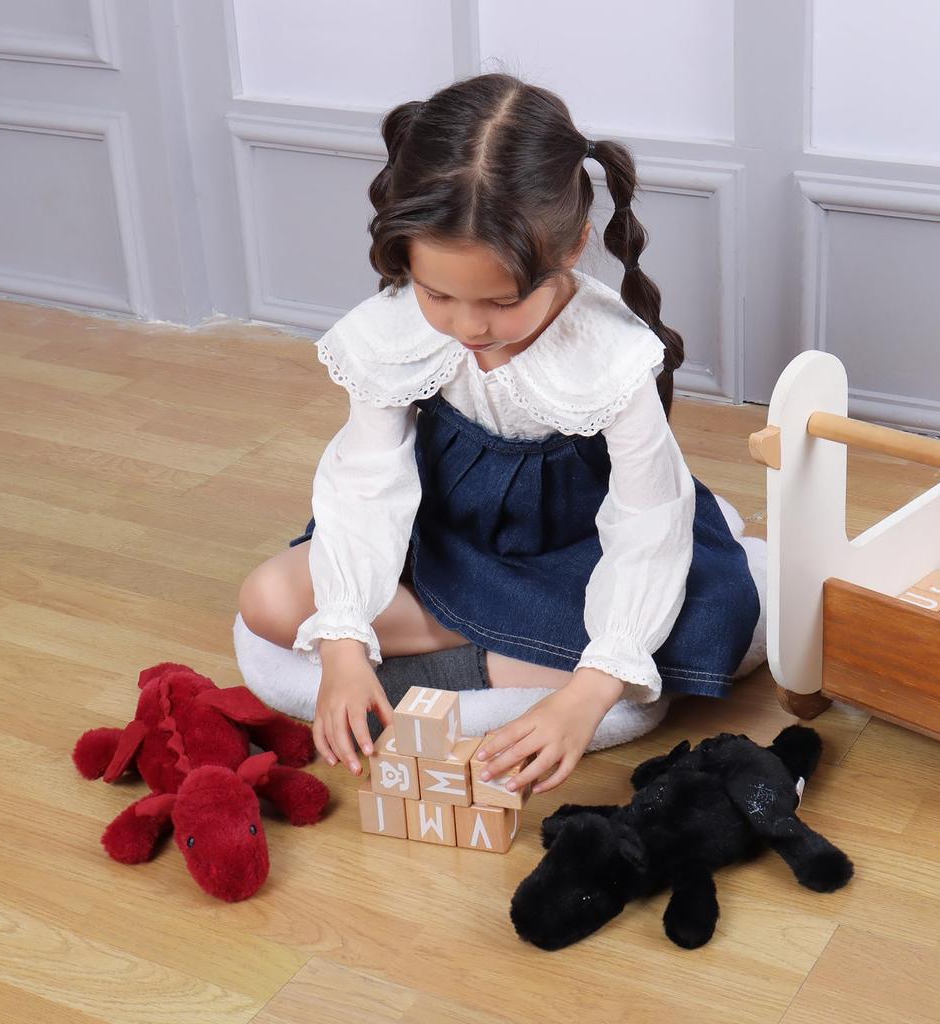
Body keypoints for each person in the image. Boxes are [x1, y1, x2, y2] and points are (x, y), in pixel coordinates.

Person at [238, 72, 760, 797]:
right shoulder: (398, 330)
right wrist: (345, 644)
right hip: (445, 540)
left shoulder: (610, 358)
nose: (467, 325)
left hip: (572, 553)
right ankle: (516, 654)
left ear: (573, 248)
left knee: (712, 621)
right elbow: (366, 484)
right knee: (269, 600)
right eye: (437, 293)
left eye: (501, 301)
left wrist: (591, 690)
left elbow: (648, 525)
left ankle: (515, 662)